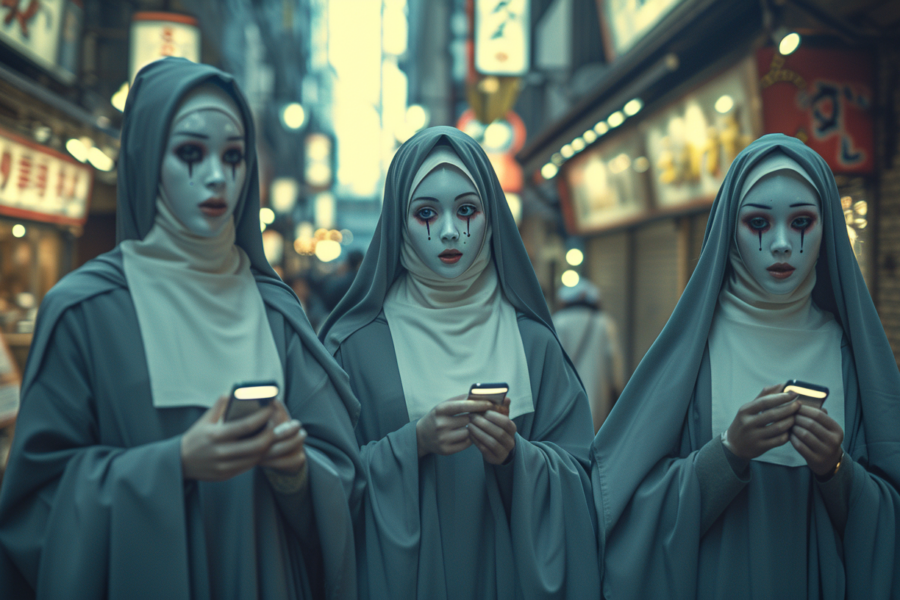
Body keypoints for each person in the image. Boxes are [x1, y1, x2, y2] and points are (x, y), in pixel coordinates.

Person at [0, 58, 363, 600]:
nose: (217, 176)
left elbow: (345, 480)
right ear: (148, 159)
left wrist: (295, 469)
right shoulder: (85, 311)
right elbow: (35, 507)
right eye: (190, 153)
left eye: (234, 156)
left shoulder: (274, 311)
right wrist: (172, 466)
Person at [591, 133, 900, 598]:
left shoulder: (846, 354)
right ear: (729, 231)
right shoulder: (695, 352)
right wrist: (729, 452)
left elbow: (887, 522)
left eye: (801, 222)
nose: (780, 244)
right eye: (758, 222)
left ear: (827, 229)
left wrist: (835, 468)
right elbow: (627, 508)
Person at [319, 126, 600, 600]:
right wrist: (413, 445)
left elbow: (583, 476)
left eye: (467, 210)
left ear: (491, 219)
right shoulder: (355, 347)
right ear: (398, 223)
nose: (450, 231)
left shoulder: (534, 345)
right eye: (426, 213)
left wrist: (518, 458)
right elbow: (323, 484)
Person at [553, 279, 625, 432]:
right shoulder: (605, 323)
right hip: (598, 396)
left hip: (565, 398)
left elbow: (554, 363)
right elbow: (614, 362)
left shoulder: (558, 322)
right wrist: (617, 388)